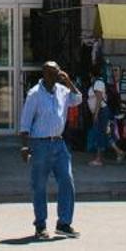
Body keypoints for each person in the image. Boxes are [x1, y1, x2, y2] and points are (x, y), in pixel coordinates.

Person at [18, 60, 81, 240]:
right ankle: (40, 226)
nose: (58, 75)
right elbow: (25, 123)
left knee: (67, 181)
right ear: (45, 74)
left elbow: (78, 99)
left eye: (59, 71)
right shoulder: (34, 94)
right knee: (39, 185)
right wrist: (24, 145)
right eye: (54, 72)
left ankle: (64, 223)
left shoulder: (62, 90)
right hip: (40, 144)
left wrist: (68, 82)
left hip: (59, 144)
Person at [84, 77, 120, 165]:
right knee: (103, 133)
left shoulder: (98, 83)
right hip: (100, 112)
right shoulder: (96, 84)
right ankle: (119, 151)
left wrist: (96, 114)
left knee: (100, 133)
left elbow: (99, 99)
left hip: (101, 112)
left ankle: (99, 159)